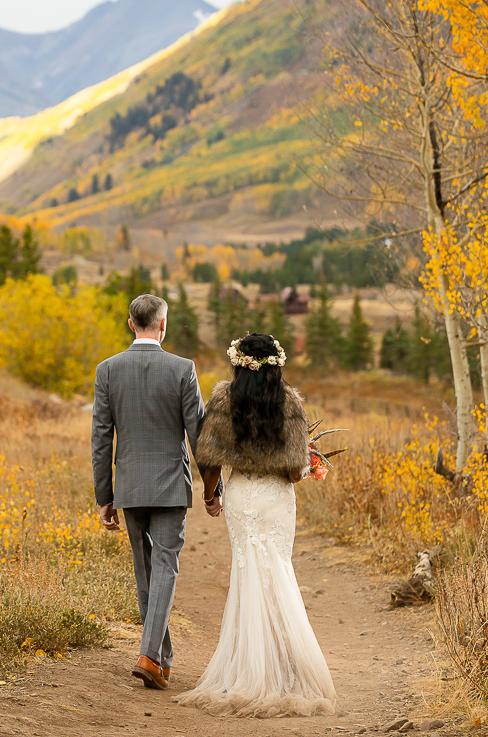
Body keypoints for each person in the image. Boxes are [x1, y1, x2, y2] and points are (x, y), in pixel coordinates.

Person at [176, 333, 337, 716]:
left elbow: (211, 459)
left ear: (238, 363)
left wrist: (211, 496)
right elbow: (296, 472)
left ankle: (247, 668)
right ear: (277, 365)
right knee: (277, 570)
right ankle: (286, 669)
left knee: (248, 574)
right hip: (276, 498)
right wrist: (307, 463)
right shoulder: (291, 402)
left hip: (243, 497)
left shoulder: (222, 400)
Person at [91, 294, 223, 691]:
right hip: (169, 484)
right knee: (164, 565)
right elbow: (197, 433)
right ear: (162, 325)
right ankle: (150, 654)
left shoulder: (107, 370)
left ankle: (159, 660)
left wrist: (104, 494)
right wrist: (211, 489)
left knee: (145, 569)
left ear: (132, 324)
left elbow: (101, 436)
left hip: (130, 484)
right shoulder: (183, 369)